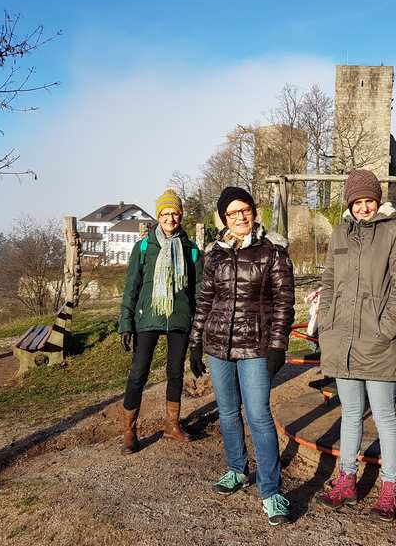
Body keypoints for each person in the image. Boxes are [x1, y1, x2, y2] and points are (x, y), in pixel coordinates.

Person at [188, 186, 295, 526]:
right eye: (232, 213)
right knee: (228, 412)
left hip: (256, 345)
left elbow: (284, 302)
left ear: (253, 211)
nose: (239, 217)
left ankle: (271, 490)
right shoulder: (215, 254)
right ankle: (236, 468)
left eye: (244, 210)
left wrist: (278, 345)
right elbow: (205, 300)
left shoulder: (272, 251)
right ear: (224, 218)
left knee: (259, 415)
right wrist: (195, 342)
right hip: (218, 344)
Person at [316, 169, 396, 522]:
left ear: (377, 200)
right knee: (351, 413)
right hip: (341, 337)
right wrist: (326, 319)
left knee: (385, 416)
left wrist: (386, 327)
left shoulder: (394, 231)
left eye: (369, 201)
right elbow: (329, 280)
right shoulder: (340, 232)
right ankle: (347, 480)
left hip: (377, 339)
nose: (363, 208)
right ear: (350, 203)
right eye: (357, 202)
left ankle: (390, 486)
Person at [117, 188, 202, 454]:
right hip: (148, 316)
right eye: (165, 213)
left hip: (179, 318)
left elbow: (199, 290)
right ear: (158, 216)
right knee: (138, 373)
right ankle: (129, 431)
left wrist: (198, 330)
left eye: (174, 213)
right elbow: (131, 287)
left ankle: (172, 425)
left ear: (180, 215)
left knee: (175, 373)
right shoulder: (143, 248)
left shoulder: (191, 250)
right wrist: (125, 322)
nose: (169, 218)